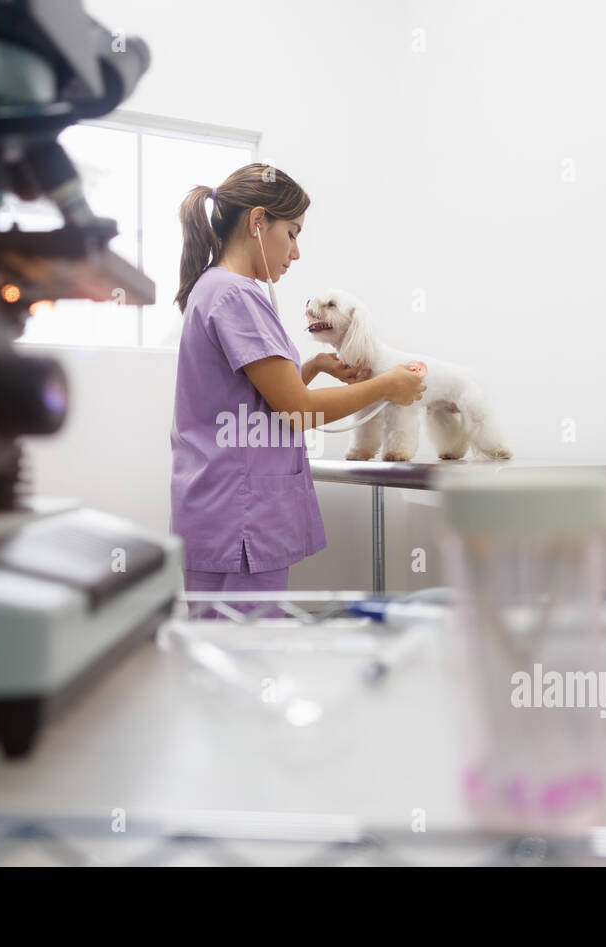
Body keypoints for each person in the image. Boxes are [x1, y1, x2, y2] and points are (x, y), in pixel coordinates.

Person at [170, 163, 426, 617]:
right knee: (244, 655)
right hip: (240, 517)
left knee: (223, 646)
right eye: (292, 233)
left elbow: (249, 397)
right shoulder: (236, 296)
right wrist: (390, 384)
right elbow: (298, 410)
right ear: (257, 221)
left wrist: (310, 367)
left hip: (220, 508)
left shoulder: (213, 289)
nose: (296, 252)